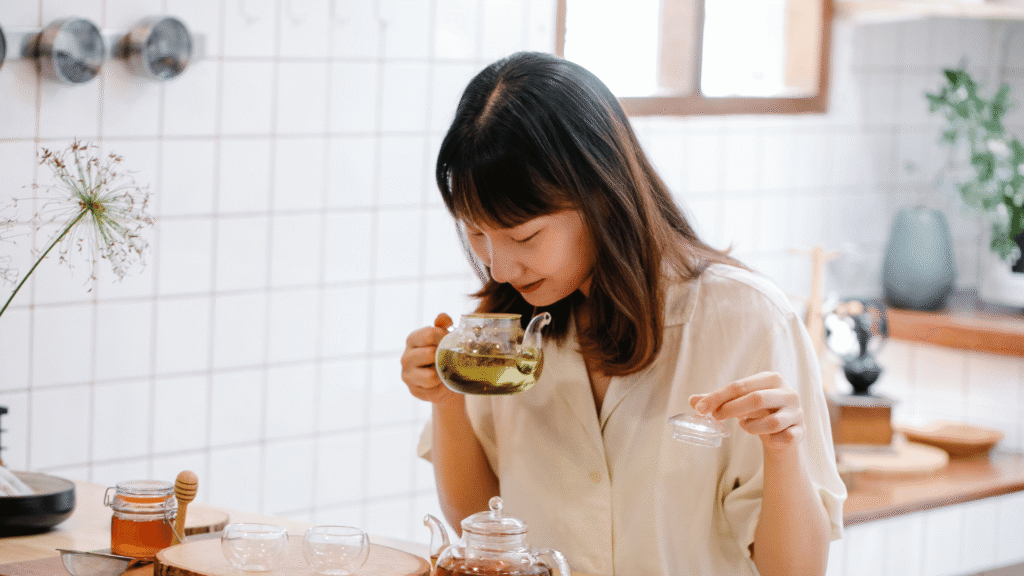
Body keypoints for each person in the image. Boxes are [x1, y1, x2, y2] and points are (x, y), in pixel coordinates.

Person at [400, 51, 845, 576]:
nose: (497, 268)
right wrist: (444, 401)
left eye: (524, 236)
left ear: (601, 195)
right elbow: (484, 528)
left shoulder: (744, 320)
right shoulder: (510, 334)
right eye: (477, 234)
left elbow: (798, 571)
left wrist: (784, 448)